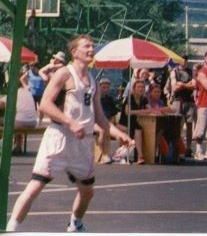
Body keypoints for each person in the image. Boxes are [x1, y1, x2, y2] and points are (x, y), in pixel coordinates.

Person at [6, 35, 132, 232]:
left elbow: (100, 117)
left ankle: (75, 224)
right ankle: (11, 228)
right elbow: (45, 104)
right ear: (74, 52)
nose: (91, 49)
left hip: (81, 143)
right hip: (59, 137)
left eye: (92, 46)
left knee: (87, 190)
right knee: (35, 185)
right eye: (86, 46)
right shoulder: (64, 74)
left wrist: (118, 134)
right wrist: (70, 122)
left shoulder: (93, 81)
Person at [169, 58, 196, 159]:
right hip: (177, 100)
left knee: (189, 125)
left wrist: (182, 84)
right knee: (177, 125)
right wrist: (187, 85)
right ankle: (177, 147)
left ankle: (188, 148)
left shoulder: (191, 72)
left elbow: (194, 85)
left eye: (185, 61)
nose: (184, 63)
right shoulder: (174, 72)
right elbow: (174, 87)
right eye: (182, 61)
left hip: (189, 100)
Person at [95, 78, 119, 164]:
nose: (105, 89)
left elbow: (113, 113)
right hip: (95, 123)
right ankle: (104, 155)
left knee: (123, 130)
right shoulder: (95, 98)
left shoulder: (109, 99)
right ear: (99, 87)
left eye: (107, 87)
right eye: (103, 87)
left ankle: (117, 155)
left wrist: (111, 123)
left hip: (107, 122)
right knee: (102, 131)